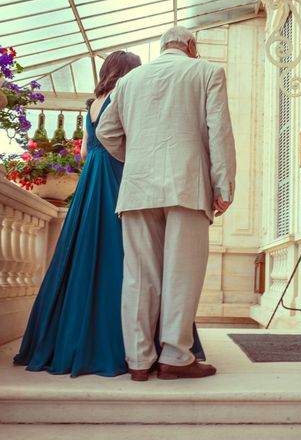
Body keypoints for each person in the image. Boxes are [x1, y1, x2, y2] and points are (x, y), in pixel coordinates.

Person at [14, 50, 205, 376]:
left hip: (91, 181)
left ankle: (72, 341)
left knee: (83, 257)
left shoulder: (93, 104)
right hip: (121, 178)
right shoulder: (128, 93)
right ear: (131, 73)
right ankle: (140, 348)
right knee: (137, 262)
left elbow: (87, 150)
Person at [97, 26, 236, 381]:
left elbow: (106, 132)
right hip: (186, 185)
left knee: (139, 276)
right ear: (190, 46)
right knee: (182, 274)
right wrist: (223, 185)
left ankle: (139, 361)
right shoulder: (206, 71)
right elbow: (218, 130)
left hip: (138, 187)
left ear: (162, 47)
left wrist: (138, 158)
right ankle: (175, 355)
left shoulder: (129, 81)